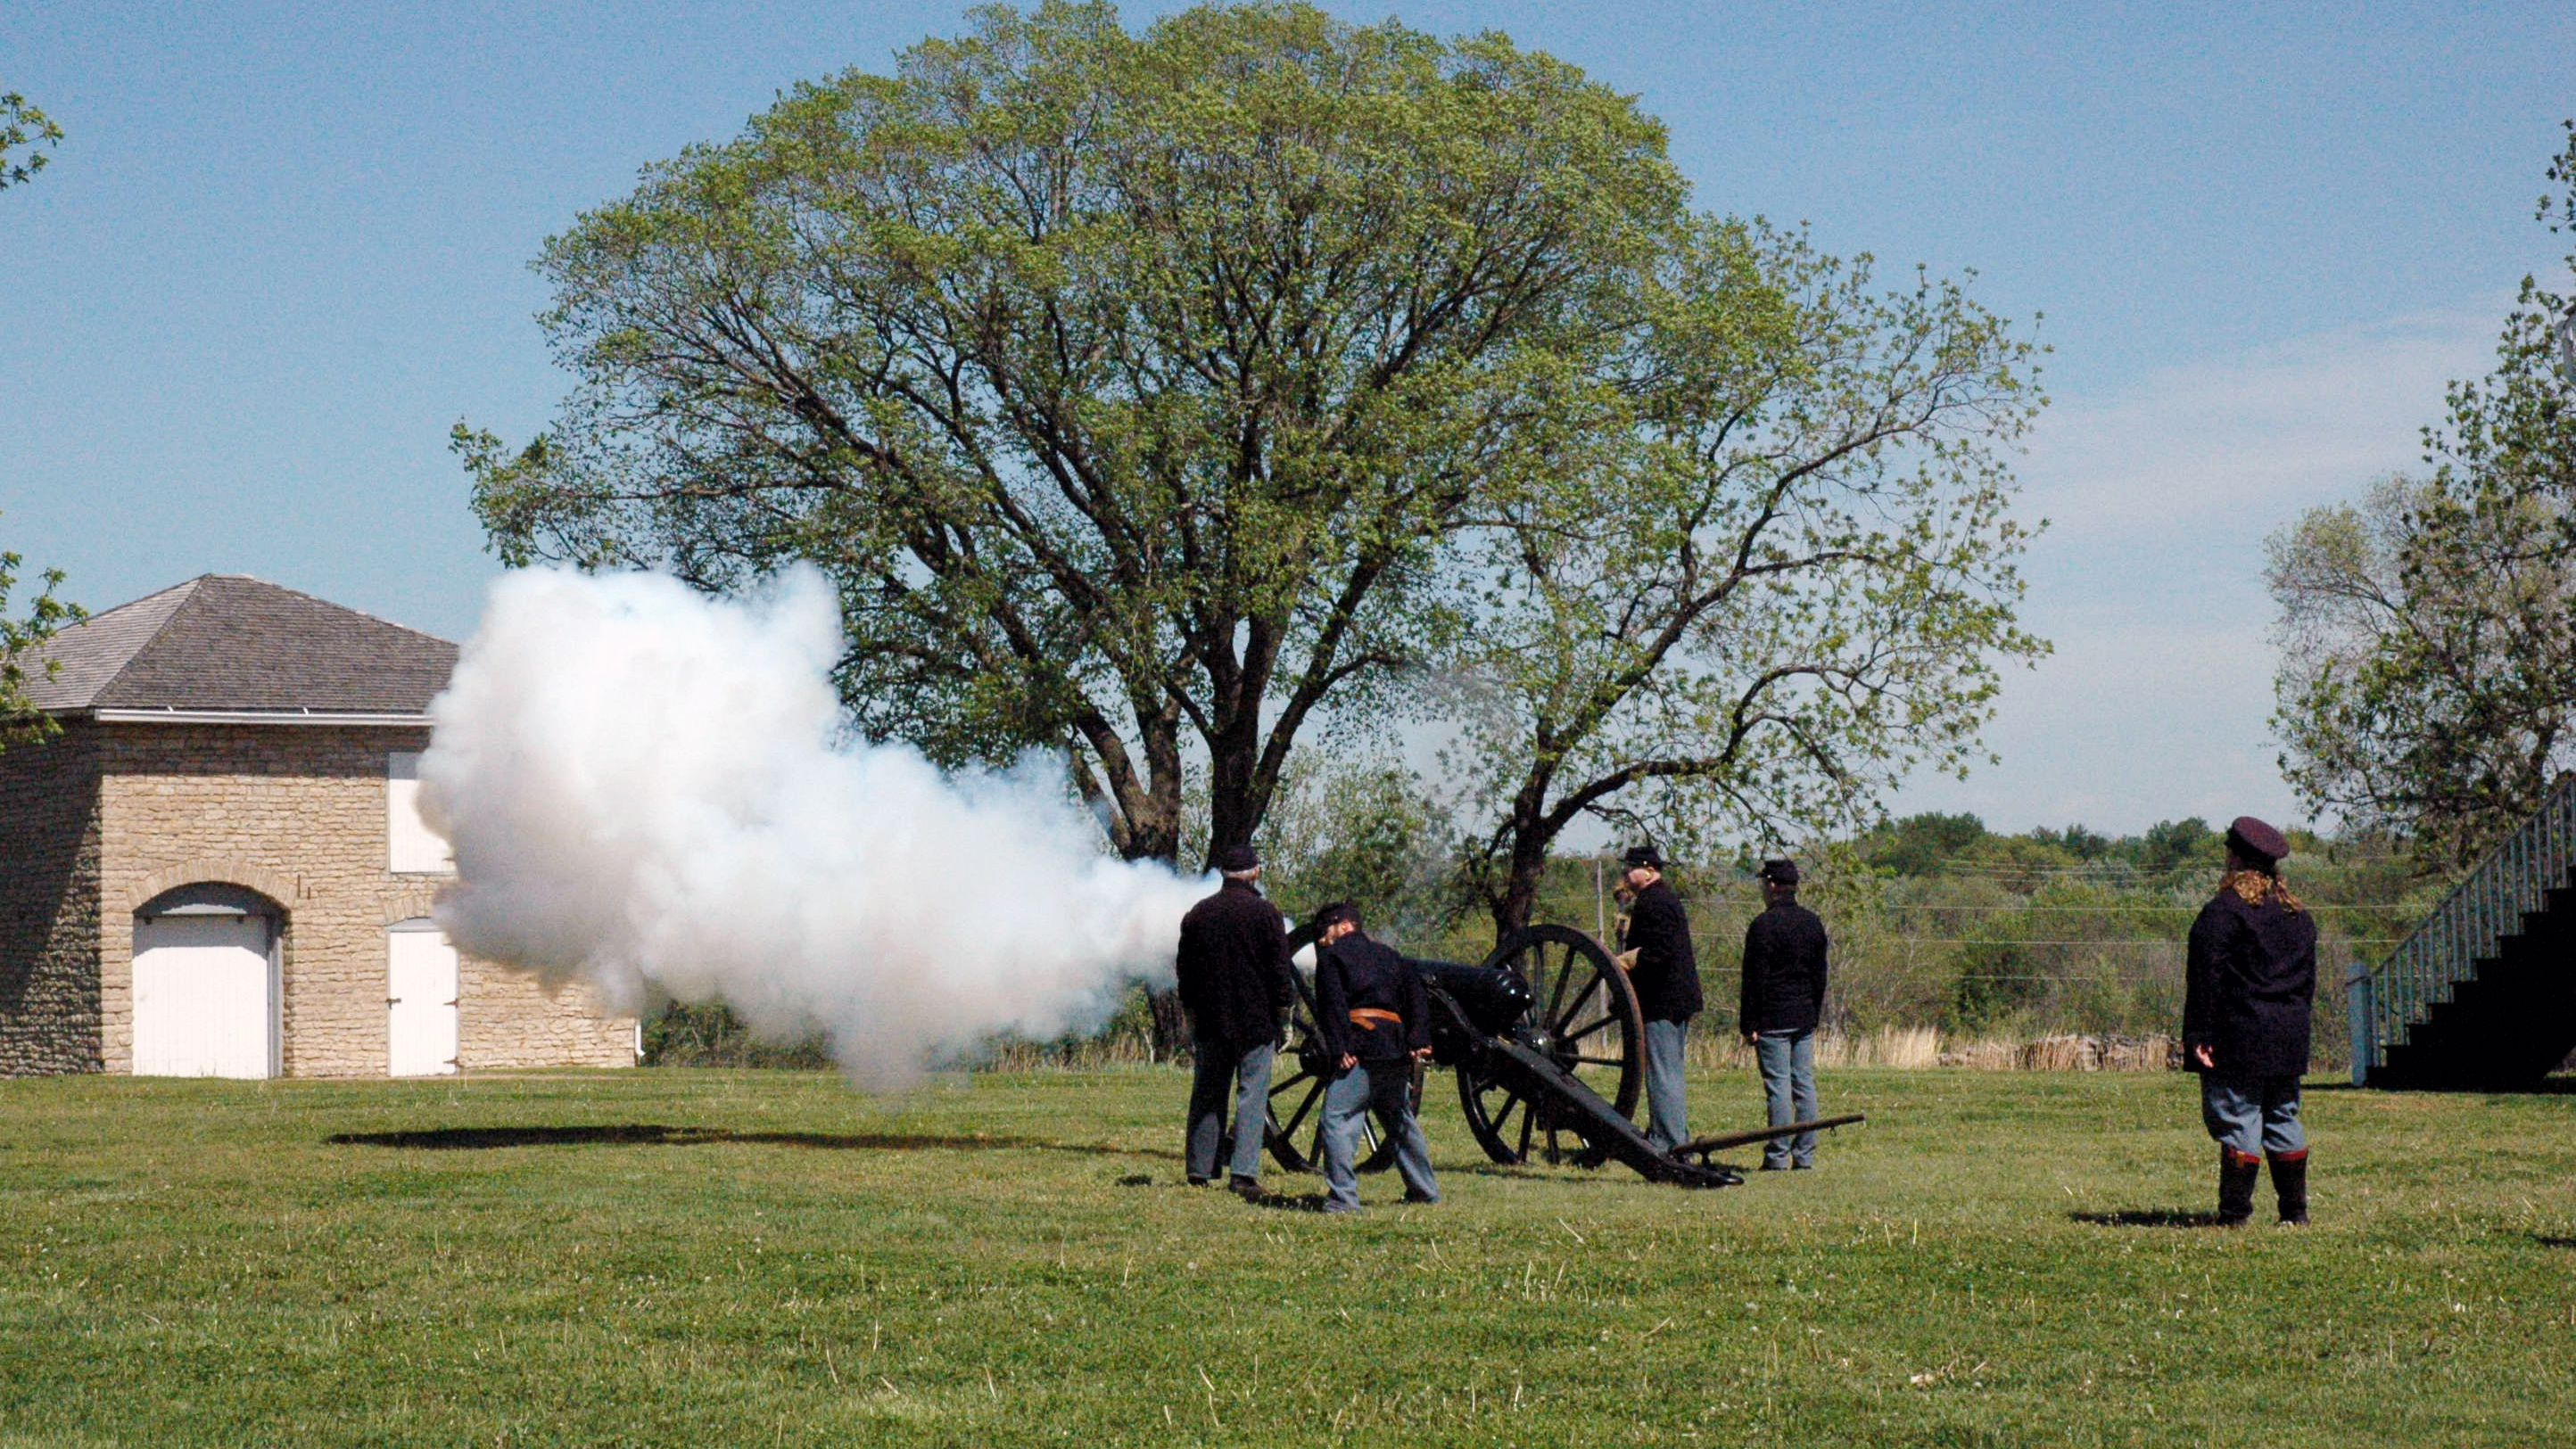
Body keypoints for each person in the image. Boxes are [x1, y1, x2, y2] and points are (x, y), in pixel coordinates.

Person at [2184, 815, 2317, 1226]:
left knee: (2238, 1118)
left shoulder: (2224, 913)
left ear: (2234, 857)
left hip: (2240, 1035)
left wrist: (2199, 1034)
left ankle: (2234, 1215)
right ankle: (2294, 1215)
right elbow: (2307, 984)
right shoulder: (2299, 916)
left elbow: (2206, 978)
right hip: (2288, 1037)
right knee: (2282, 1118)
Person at [1175, 844, 1294, 1197]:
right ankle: (1242, 1173)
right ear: (1255, 872)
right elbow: (1279, 970)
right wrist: (1285, 1015)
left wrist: (1191, 1014)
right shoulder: (1266, 914)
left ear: (1222, 873)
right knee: (1252, 1096)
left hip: (1211, 1020)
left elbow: (1185, 973)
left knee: (1207, 1094)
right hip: (1255, 1020)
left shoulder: (1198, 913)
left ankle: (1200, 1170)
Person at [1309, 902, 1439, 1213]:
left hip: (1360, 1047)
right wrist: (1418, 1038)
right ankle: (1425, 1190)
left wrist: (1341, 1047)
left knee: (1337, 1119)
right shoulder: (1393, 957)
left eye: (1324, 930)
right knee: (1399, 1120)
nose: (1321, 939)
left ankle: (1343, 1200)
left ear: (1343, 926)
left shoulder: (1332, 958)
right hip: (1394, 1048)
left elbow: (1333, 1007)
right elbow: (1418, 999)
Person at [1738, 857, 1829, 1171]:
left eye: (1764, 884)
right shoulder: (1812, 923)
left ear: (1773, 885)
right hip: (1803, 1015)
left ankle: (1777, 1155)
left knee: (1778, 1087)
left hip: (1772, 1018)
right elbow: (1820, 975)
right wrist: (1813, 1012)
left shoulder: (1763, 926)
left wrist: (1749, 1023)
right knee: (1804, 1084)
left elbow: (1753, 980)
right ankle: (1804, 1156)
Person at [1620, 844, 1703, 1153]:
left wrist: (1624, 961)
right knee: (1668, 1072)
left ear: (1650, 871)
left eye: (1631, 868)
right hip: (1670, 999)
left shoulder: (1654, 902)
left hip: (1663, 1000)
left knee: (1663, 1074)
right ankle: (1673, 1136)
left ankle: (1667, 1142)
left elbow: (1658, 952)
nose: (1626, 874)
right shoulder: (1658, 899)